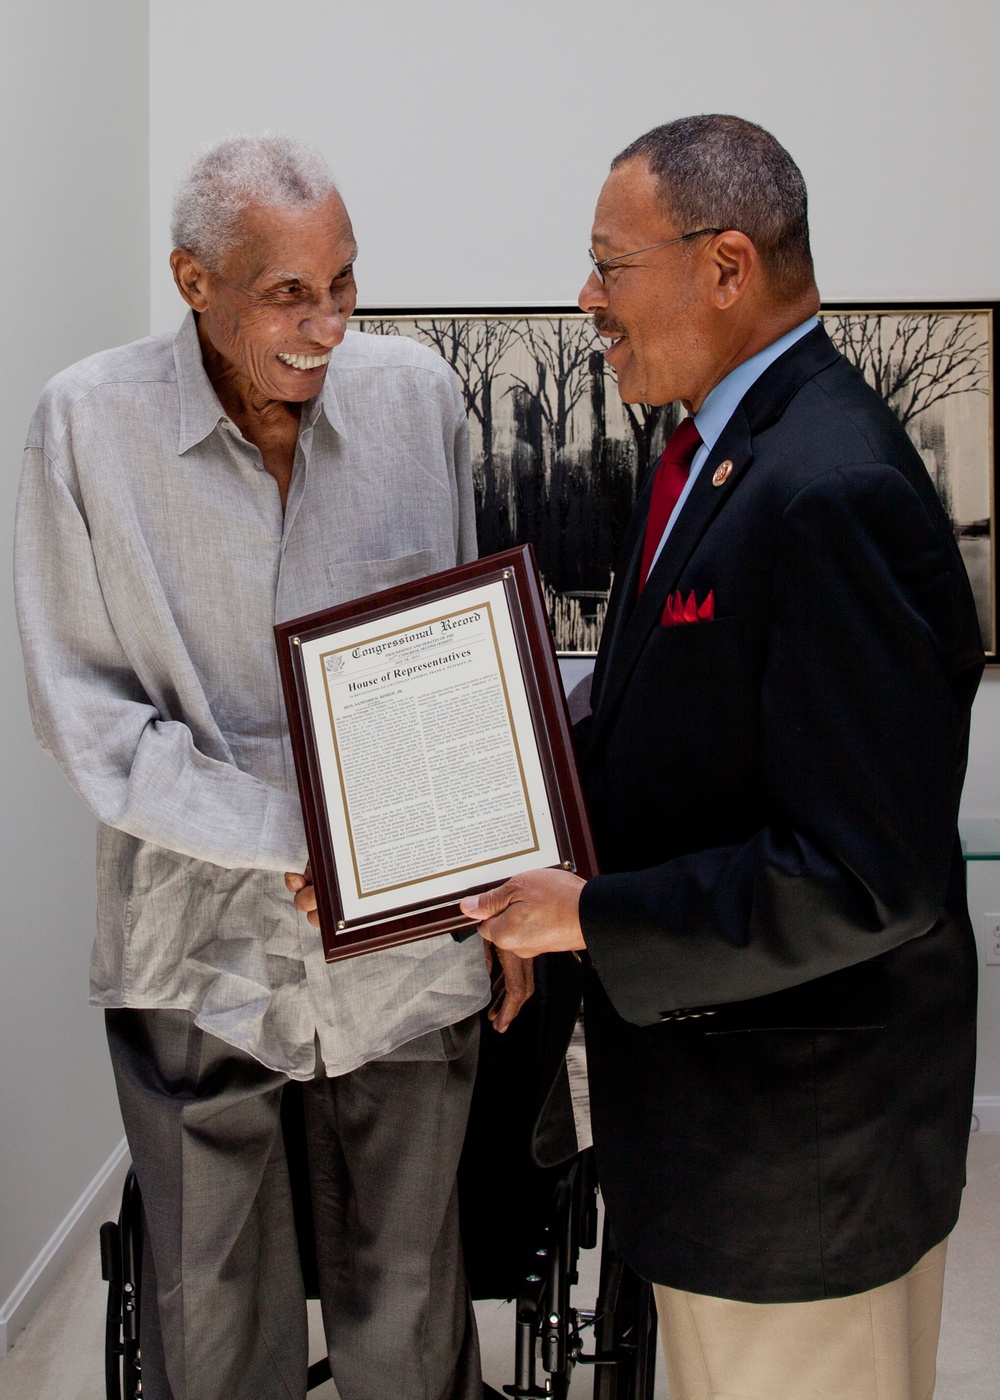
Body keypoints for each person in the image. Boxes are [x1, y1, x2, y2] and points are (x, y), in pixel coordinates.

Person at [460, 114, 983, 1399]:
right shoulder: (710, 452)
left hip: (796, 1164)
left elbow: (858, 877)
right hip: (706, 1133)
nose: (586, 299)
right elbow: (652, 730)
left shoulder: (832, 487)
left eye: (606, 263)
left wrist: (587, 916)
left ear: (726, 265)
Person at [15, 132, 530, 1400]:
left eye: (345, 282)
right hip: (197, 952)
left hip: (406, 947)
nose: (329, 324)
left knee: (408, 1306)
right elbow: (89, 718)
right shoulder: (85, 424)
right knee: (214, 1313)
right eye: (288, 292)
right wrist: (303, 834)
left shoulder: (417, 398)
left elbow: (460, 671)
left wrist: (504, 877)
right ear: (194, 279)